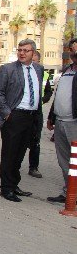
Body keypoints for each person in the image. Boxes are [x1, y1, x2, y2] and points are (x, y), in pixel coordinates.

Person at [0, 39, 44, 202]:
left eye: (26, 50)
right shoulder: (8, 69)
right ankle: (6, 188)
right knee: (10, 153)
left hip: (31, 116)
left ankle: (14, 184)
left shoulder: (39, 69)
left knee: (21, 152)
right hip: (14, 116)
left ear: (33, 53)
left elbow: (38, 92)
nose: (22, 53)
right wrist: (7, 113)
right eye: (19, 50)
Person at [46, 38, 77, 203]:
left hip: (74, 122)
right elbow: (59, 94)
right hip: (60, 121)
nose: (73, 52)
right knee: (63, 159)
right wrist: (51, 116)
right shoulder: (66, 70)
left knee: (75, 159)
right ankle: (69, 192)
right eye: (71, 49)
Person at [25, 50, 53, 178]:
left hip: (37, 112)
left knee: (36, 140)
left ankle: (34, 167)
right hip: (23, 111)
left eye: (35, 61)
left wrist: (41, 100)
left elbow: (48, 92)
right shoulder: (22, 72)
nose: (33, 64)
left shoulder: (44, 74)